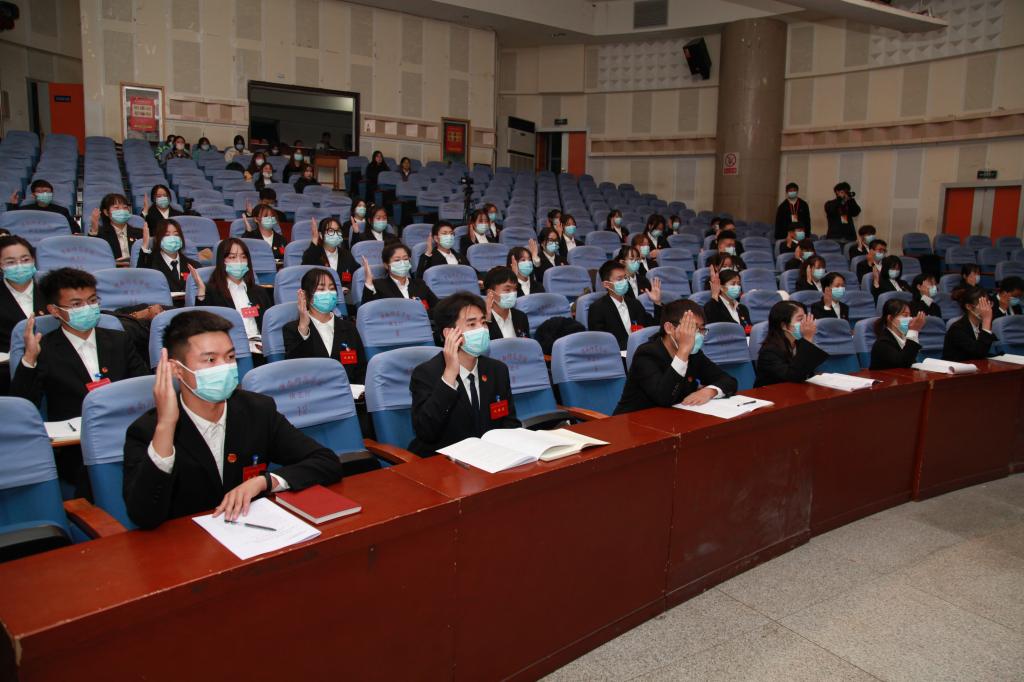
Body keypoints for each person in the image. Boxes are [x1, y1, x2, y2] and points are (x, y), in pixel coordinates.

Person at [123, 310, 345, 529]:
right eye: (210, 360)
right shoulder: (148, 430)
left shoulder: (257, 410)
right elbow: (144, 516)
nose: (224, 367)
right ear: (176, 369)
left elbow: (326, 461)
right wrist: (166, 426)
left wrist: (264, 481)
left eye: (230, 357)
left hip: (253, 533)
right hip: (188, 543)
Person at [11, 268, 149, 421]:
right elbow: (23, 406)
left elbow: (143, 388)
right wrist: (29, 359)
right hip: (72, 431)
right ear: (55, 310)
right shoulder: (43, 349)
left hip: (122, 423)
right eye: (76, 304)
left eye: (92, 301)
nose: (87, 308)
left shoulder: (120, 340)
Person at [408, 292, 520, 457]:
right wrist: (449, 377)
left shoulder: (497, 370)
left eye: (483, 322)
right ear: (449, 333)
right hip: (445, 461)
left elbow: (509, 423)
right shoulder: (426, 373)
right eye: (472, 324)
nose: (482, 329)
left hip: (491, 458)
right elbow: (426, 432)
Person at [614, 300, 738, 414]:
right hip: (634, 422)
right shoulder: (646, 354)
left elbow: (729, 380)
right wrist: (683, 352)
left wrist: (710, 391)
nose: (698, 335)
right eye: (691, 328)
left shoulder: (694, 354)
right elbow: (664, 398)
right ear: (669, 328)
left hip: (674, 418)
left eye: (701, 329)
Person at [283, 268, 366, 384]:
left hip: (348, 391)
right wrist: (303, 329)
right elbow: (295, 371)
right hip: (313, 392)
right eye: (321, 289)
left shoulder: (349, 328)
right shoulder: (292, 329)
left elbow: (361, 370)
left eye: (331, 289)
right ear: (305, 295)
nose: (328, 293)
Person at [191, 238, 271, 350]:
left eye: (243, 257)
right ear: (222, 261)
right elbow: (201, 326)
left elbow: (269, 325)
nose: (239, 261)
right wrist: (201, 291)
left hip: (260, 348)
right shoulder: (211, 291)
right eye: (232, 257)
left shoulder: (259, 292)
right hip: (231, 349)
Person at [588, 259, 663, 350]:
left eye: (625, 278)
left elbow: (654, 329)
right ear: (606, 284)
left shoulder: (635, 304)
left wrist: (657, 303)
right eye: (619, 279)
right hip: (616, 354)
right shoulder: (597, 308)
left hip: (641, 351)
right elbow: (600, 342)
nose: (624, 282)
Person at [754, 301, 829, 387]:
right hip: (773, 392)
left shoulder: (799, 343)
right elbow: (793, 376)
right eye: (800, 319)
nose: (805, 323)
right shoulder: (769, 351)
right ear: (784, 326)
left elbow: (808, 372)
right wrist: (808, 338)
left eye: (805, 318)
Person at [361, 242, 439, 311]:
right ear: (386, 265)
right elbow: (368, 311)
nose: (402, 263)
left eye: (405, 259)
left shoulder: (419, 284)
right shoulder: (378, 285)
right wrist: (368, 282)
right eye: (397, 260)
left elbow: (438, 308)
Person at [0, 235, 45, 353]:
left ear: (33, 260)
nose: (20, 266)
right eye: (11, 262)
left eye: (25, 260)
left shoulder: (50, 291)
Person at [137, 219, 200, 293]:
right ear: (158, 238)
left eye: (176, 235)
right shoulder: (150, 265)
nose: (172, 238)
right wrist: (145, 246)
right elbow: (140, 282)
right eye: (167, 235)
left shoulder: (194, 266)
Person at [870, 300, 926, 370]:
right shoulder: (882, 343)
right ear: (890, 318)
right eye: (905, 315)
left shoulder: (904, 338)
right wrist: (913, 330)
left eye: (910, 315)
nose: (910, 319)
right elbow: (903, 364)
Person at [943, 286, 995, 361]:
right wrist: (986, 320)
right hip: (957, 366)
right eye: (983, 305)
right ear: (969, 306)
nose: (988, 309)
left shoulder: (981, 325)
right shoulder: (957, 329)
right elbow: (979, 353)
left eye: (988, 303)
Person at [6, 179, 79, 233]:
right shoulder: (24, 210)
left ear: (52, 194)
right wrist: (13, 205)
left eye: (46, 191)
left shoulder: (62, 211)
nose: (43, 194)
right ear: (33, 195)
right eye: (39, 191)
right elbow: (13, 223)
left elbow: (75, 229)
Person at [302, 217, 357, 287]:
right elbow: (306, 272)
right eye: (330, 231)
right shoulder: (314, 254)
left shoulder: (347, 255)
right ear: (321, 235)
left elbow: (356, 276)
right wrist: (315, 239)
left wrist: (347, 288)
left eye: (338, 230)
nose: (335, 234)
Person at [88, 193, 142, 261]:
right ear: (106, 212)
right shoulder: (101, 234)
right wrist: (94, 229)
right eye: (116, 208)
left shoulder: (140, 233)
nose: (122, 211)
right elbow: (93, 255)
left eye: (125, 207)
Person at [484, 266, 530, 339]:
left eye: (515, 289)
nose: (513, 293)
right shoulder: (482, 319)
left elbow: (527, 344)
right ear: (491, 293)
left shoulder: (521, 317)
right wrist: (487, 320)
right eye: (507, 290)